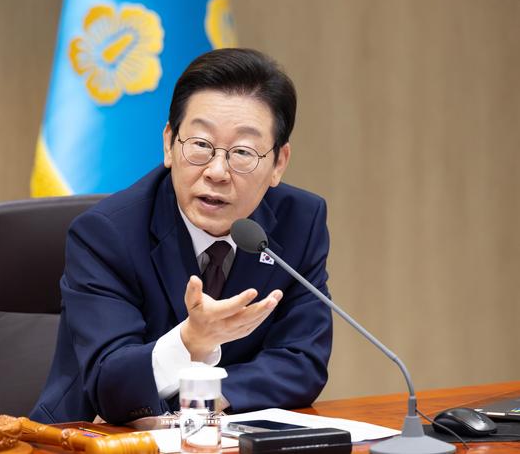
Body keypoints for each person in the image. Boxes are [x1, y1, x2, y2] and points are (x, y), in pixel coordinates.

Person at [31, 48, 332, 424]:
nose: (217, 171)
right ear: (169, 144)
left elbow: (303, 362)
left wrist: (203, 401)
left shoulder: (299, 221)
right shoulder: (106, 234)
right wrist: (191, 340)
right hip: (94, 437)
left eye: (242, 152)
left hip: (227, 436)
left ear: (278, 163)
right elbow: (110, 383)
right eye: (201, 145)